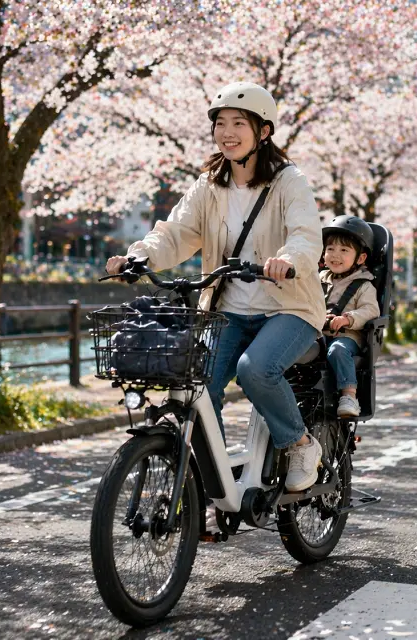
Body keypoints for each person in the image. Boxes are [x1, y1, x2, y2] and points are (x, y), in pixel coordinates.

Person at [106, 82, 326, 492]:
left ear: (263, 131)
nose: (227, 132)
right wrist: (139, 256)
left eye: (238, 123)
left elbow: (305, 235)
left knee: (255, 369)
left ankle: (299, 442)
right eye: (220, 123)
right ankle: (215, 488)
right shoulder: (210, 184)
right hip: (228, 308)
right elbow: (176, 233)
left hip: (289, 309)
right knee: (197, 386)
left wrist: (288, 261)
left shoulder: (289, 181)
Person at [320, 216, 380, 418]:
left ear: (361, 258)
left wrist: (347, 318)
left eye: (344, 250)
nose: (335, 255)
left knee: (337, 350)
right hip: (316, 334)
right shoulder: (317, 280)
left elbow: (371, 310)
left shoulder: (364, 285)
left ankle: (349, 395)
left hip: (347, 337)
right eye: (331, 249)